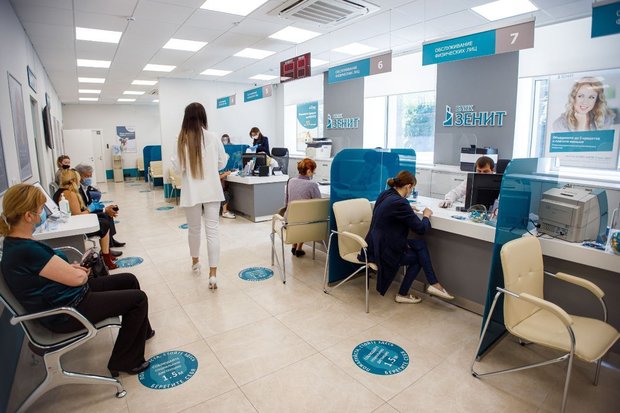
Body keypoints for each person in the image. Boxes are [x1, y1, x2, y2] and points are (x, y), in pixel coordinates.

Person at [0, 184, 154, 376]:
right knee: (138, 299)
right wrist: (80, 273)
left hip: (67, 296)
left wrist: (71, 270)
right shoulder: (26, 250)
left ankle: (142, 332)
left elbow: (47, 272)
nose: (43, 213)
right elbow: (79, 279)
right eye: (40, 209)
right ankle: (125, 361)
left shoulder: (17, 243)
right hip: (67, 311)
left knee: (129, 280)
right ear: (28, 216)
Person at [364, 170, 453, 303]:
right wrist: (426, 215)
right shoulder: (401, 203)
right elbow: (421, 229)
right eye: (412, 189)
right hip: (384, 251)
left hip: (374, 244)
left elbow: (392, 209)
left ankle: (434, 284)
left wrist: (409, 208)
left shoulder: (386, 194)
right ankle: (404, 294)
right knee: (418, 259)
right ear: (408, 186)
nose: (411, 191)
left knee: (421, 244)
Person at [171, 102, 228, 289]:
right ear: (203, 117)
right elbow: (222, 163)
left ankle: (195, 262)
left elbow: (178, 169)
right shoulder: (213, 137)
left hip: (192, 192)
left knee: (194, 230)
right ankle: (213, 275)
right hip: (212, 190)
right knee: (213, 231)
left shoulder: (181, 139)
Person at [54, 169, 119, 269]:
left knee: (104, 217)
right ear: (73, 180)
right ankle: (106, 257)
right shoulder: (69, 194)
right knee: (104, 224)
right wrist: (90, 209)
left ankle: (106, 252)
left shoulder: (62, 192)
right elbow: (78, 216)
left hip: (71, 224)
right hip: (75, 229)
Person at [74, 163, 125, 249]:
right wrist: (104, 210)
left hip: (88, 211)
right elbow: (83, 209)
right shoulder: (77, 190)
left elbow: (90, 204)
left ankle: (111, 241)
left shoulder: (85, 188)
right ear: (79, 176)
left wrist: (105, 208)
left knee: (108, 212)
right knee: (105, 216)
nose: (89, 178)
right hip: (84, 215)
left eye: (90, 176)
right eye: (87, 176)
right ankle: (108, 246)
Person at [286, 158, 321, 256]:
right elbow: (318, 203)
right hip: (304, 222)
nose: (314, 173)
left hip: (290, 219)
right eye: (313, 171)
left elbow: (287, 200)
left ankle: (294, 246)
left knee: (299, 214)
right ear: (309, 171)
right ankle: (299, 248)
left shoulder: (291, 181)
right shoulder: (312, 185)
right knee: (306, 215)